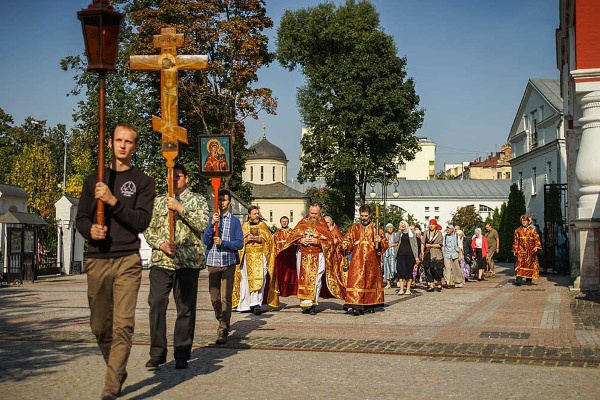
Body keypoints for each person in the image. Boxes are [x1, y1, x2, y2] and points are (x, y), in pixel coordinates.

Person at [75, 124, 155, 400]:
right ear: (110, 143)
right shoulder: (93, 180)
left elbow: (142, 222)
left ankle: (110, 388)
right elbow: (81, 218)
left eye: (129, 142)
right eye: (118, 140)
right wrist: (90, 231)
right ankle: (117, 369)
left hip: (127, 260)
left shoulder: (143, 182)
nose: (123, 145)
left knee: (123, 325)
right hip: (97, 259)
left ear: (134, 146)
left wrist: (113, 201)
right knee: (99, 326)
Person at [143, 163, 208, 370]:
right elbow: (147, 229)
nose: (174, 180)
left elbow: (203, 225)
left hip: (188, 260)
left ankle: (182, 353)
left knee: (185, 308)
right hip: (162, 260)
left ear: (186, 178)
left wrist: (181, 208)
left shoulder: (197, 200)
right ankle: (157, 353)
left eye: (178, 176)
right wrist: (161, 244)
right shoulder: (158, 202)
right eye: (171, 177)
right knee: (157, 303)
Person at [274, 204, 345, 315]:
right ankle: (305, 304)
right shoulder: (302, 223)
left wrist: (318, 242)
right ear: (309, 212)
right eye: (312, 213)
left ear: (319, 213)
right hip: (303, 255)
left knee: (316, 280)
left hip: (319, 255)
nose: (314, 216)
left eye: (316, 214)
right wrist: (300, 240)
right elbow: (292, 237)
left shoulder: (322, 224)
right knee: (303, 279)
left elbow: (330, 241)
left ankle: (312, 303)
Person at [202, 189, 244, 344]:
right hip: (213, 262)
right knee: (215, 297)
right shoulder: (211, 219)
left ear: (229, 202)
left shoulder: (234, 222)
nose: (222, 203)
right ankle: (220, 316)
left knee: (226, 296)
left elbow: (239, 243)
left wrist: (224, 243)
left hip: (228, 262)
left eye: (225, 200)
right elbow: (206, 240)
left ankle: (223, 328)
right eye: (219, 200)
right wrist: (212, 224)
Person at [341, 205, 388, 315]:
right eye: (362, 216)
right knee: (356, 281)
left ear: (370, 215)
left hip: (372, 261)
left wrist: (380, 241)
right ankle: (355, 304)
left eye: (366, 216)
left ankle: (369, 304)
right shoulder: (355, 228)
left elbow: (385, 244)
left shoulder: (376, 228)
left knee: (370, 282)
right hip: (357, 260)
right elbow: (348, 239)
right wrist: (345, 244)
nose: (364, 218)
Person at [233, 205, 276, 314]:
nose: (257, 216)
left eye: (258, 213)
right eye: (255, 214)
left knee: (260, 280)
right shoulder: (244, 226)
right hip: (246, 256)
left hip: (260, 256)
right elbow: (238, 241)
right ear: (249, 215)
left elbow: (270, 241)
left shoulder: (263, 225)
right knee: (245, 281)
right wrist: (246, 239)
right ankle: (246, 304)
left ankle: (256, 303)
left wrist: (260, 239)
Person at [513, 214, 542, 286]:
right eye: (523, 221)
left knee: (529, 265)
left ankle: (528, 280)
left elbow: (537, 239)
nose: (524, 222)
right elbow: (515, 241)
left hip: (530, 251)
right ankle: (518, 280)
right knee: (519, 264)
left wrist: (536, 246)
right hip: (521, 250)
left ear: (528, 221)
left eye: (525, 220)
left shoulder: (532, 230)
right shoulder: (517, 230)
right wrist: (515, 250)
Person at [394, 220, 419, 295]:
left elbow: (415, 245)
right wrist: (399, 231)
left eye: (403, 225)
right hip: (400, 254)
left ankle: (408, 289)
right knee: (400, 271)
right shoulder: (400, 233)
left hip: (410, 255)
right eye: (401, 225)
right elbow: (396, 240)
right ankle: (401, 289)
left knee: (409, 272)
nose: (403, 227)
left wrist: (416, 256)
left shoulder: (412, 233)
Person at [422, 219, 444, 292]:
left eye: (432, 224)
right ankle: (431, 284)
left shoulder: (439, 233)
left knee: (435, 269)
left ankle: (438, 281)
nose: (431, 226)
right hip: (427, 253)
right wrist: (422, 252)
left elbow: (440, 244)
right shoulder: (426, 233)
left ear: (435, 225)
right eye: (430, 224)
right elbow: (423, 243)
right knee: (427, 269)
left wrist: (431, 245)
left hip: (436, 253)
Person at [382, 223, 398, 289]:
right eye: (388, 227)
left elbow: (398, 243)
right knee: (387, 268)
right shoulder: (384, 235)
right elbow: (383, 244)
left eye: (391, 227)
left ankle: (395, 281)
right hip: (386, 254)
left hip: (394, 254)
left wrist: (392, 245)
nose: (390, 229)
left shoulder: (396, 234)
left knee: (395, 268)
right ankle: (388, 283)